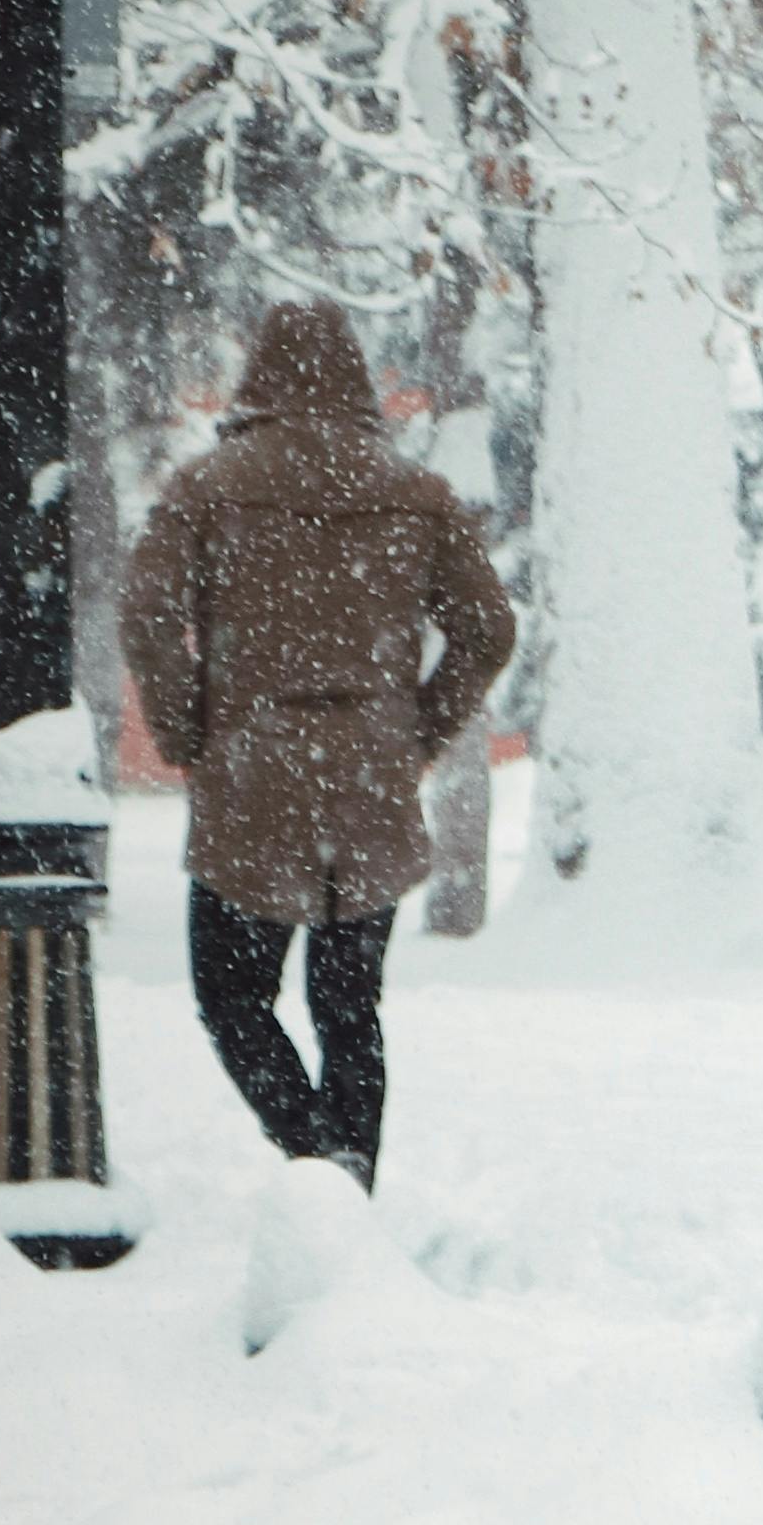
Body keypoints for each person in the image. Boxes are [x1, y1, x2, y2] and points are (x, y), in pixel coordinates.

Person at [119, 297, 515, 1195]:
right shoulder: (415, 492)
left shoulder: (209, 485)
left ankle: (314, 1161)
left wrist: (188, 730)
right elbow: (487, 629)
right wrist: (414, 732)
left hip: (250, 777)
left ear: (259, 377)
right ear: (356, 381)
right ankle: (349, 1193)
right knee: (348, 1008)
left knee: (232, 999)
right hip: (368, 785)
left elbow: (145, 617)